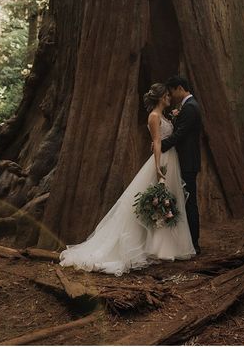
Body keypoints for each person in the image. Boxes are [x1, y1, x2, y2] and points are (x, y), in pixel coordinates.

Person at [59, 83, 195, 276]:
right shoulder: (154, 117)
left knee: (169, 202)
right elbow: (157, 142)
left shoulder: (164, 116)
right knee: (159, 201)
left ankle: (165, 247)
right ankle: (155, 247)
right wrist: (157, 167)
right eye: (165, 96)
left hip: (172, 160)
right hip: (163, 159)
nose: (168, 98)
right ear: (159, 98)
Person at [161, 76, 202, 254]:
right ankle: (186, 241)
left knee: (190, 202)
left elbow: (180, 134)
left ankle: (194, 243)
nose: (171, 95)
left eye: (172, 91)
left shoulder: (190, 107)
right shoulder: (188, 106)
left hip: (188, 163)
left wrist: (160, 146)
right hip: (185, 161)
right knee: (185, 200)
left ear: (180, 88)